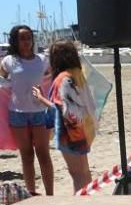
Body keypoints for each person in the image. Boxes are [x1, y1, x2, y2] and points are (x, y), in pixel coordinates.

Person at [31, 41, 97, 193]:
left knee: (77, 174)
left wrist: (41, 98)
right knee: (84, 172)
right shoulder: (77, 73)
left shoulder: (63, 79)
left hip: (70, 133)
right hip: (83, 129)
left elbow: (64, 110)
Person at [0, 25, 53, 195]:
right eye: (22, 38)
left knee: (44, 155)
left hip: (40, 113)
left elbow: (52, 78)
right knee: (27, 156)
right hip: (17, 114)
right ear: (15, 40)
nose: (26, 41)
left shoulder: (42, 60)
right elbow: (2, 80)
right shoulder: (8, 61)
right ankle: (31, 193)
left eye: (29, 37)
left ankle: (50, 194)